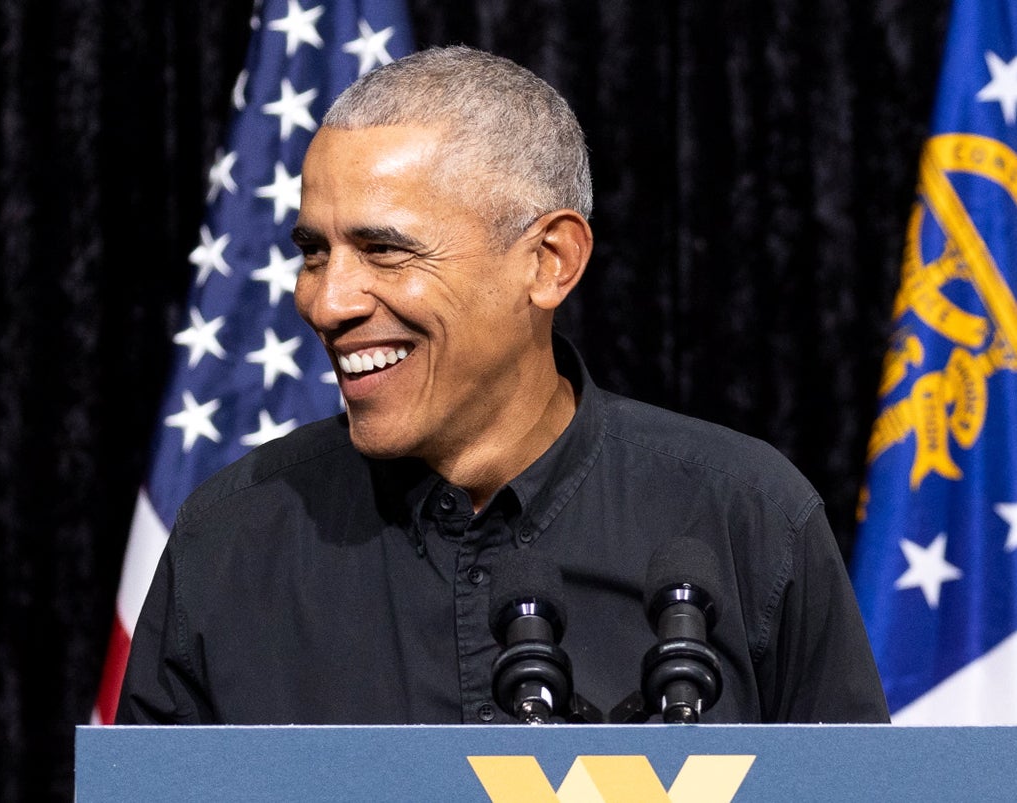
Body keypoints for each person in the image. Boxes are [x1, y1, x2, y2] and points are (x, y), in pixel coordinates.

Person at [117, 46, 889, 725]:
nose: (327, 301)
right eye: (315, 253)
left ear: (550, 262)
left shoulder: (747, 518)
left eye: (384, 250)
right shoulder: (227, 543)